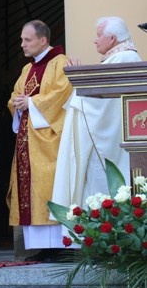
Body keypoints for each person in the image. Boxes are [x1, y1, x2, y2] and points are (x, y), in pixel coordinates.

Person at [52, 17, 141, 213]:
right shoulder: (119, 58)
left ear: (112, 38)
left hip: (107, 141)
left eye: (99, 35)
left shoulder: (124, 58)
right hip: (106, 137)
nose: (95, 40)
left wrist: (81, 80)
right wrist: (81, 79)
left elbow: (104, 103)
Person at [7, 20, 72, 262]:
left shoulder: (60, 63)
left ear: (43, 40)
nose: (22, 44)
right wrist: (17, 103)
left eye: (27, 40)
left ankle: (58, 245)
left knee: (49, 187)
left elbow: (62, 93)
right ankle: (41, 246)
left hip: (49, 142)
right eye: (22, 40)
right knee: (31, 190)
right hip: (27, 139)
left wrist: (31, 103)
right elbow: (15, 95)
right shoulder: (27, 70)